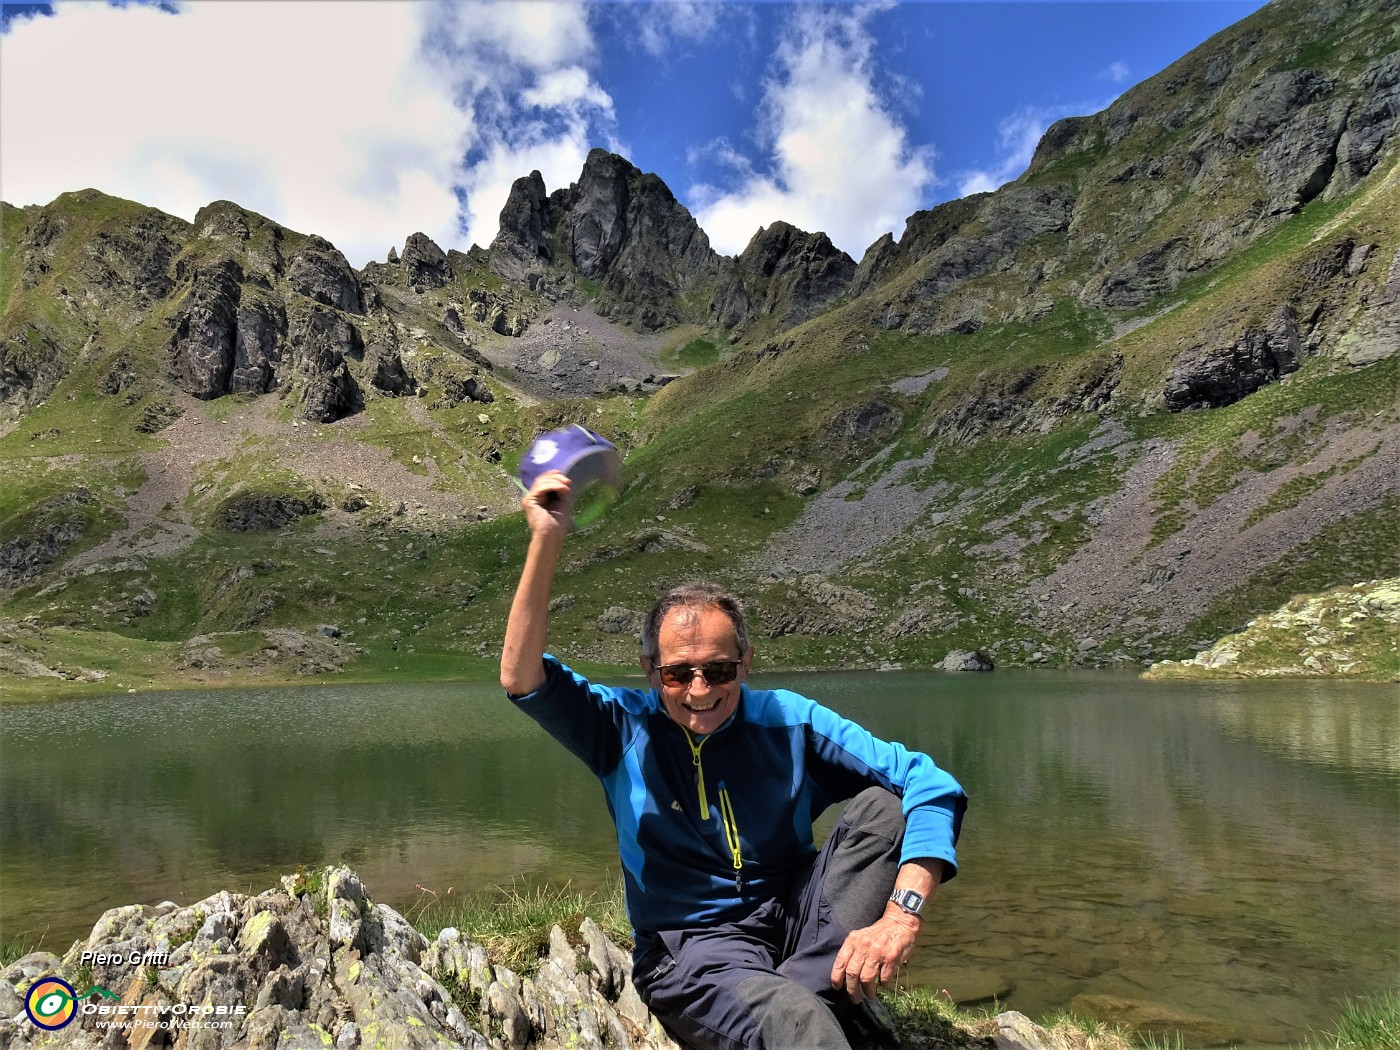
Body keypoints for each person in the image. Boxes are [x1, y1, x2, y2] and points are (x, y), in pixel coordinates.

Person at [501, 470, 967, 1050]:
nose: (699, 690)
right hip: (693, 951)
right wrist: (546, 538)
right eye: (678, 673)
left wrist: (901, 917)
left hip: (796, 923)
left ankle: (802, 991)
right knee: (803, 1030)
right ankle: (807, 1005)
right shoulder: (618, 726)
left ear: (746, 663)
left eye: (719, 670)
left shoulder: (789, 720)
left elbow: (929, 782)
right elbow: (522, 677)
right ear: (651, 671)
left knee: (885, 809)